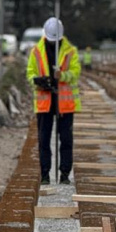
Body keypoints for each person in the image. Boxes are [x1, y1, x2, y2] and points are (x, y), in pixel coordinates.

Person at [27, 17, 81, 185]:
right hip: (45, 102)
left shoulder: (70, 51)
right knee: (43, 140)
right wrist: (38, 80)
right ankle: (44, 174)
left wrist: (62, 76)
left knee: (65, 139)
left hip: (64, 103)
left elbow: (76, 72)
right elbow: (30, 72)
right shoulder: (36, 51)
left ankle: (64, 173)